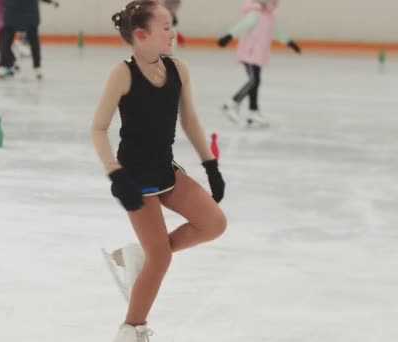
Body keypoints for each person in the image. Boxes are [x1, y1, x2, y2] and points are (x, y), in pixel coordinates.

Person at [90, 1, 227, 341]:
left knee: (214, 224)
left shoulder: (178, 68)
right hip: (134, 177)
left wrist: (210, 164)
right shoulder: (123, 73)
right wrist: (115, 174)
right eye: (165, 26)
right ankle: (131, 329)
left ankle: (141, 254)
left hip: (164, 167)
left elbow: (190, 119)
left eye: (172, 24)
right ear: (141, 35)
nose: (172, 31)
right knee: (161, 259)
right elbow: (98, 128)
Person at [217, 0, 301, 127]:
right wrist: (228, 37)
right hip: (249, 53)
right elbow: (241, 26)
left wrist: (290, 43)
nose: (275, 5)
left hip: (258, 55)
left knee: (255, 82)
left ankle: (253, 112)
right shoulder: (254, 15)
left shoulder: (269, 17)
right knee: (254, 81)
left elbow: (277, 32)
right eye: (273, 2)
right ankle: (231, 104)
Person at [0, 0, 51, 79]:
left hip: (21, 12)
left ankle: (4, 66)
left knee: (6, 39)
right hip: (19, 12)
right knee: (8, 40)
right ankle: (37, 68)